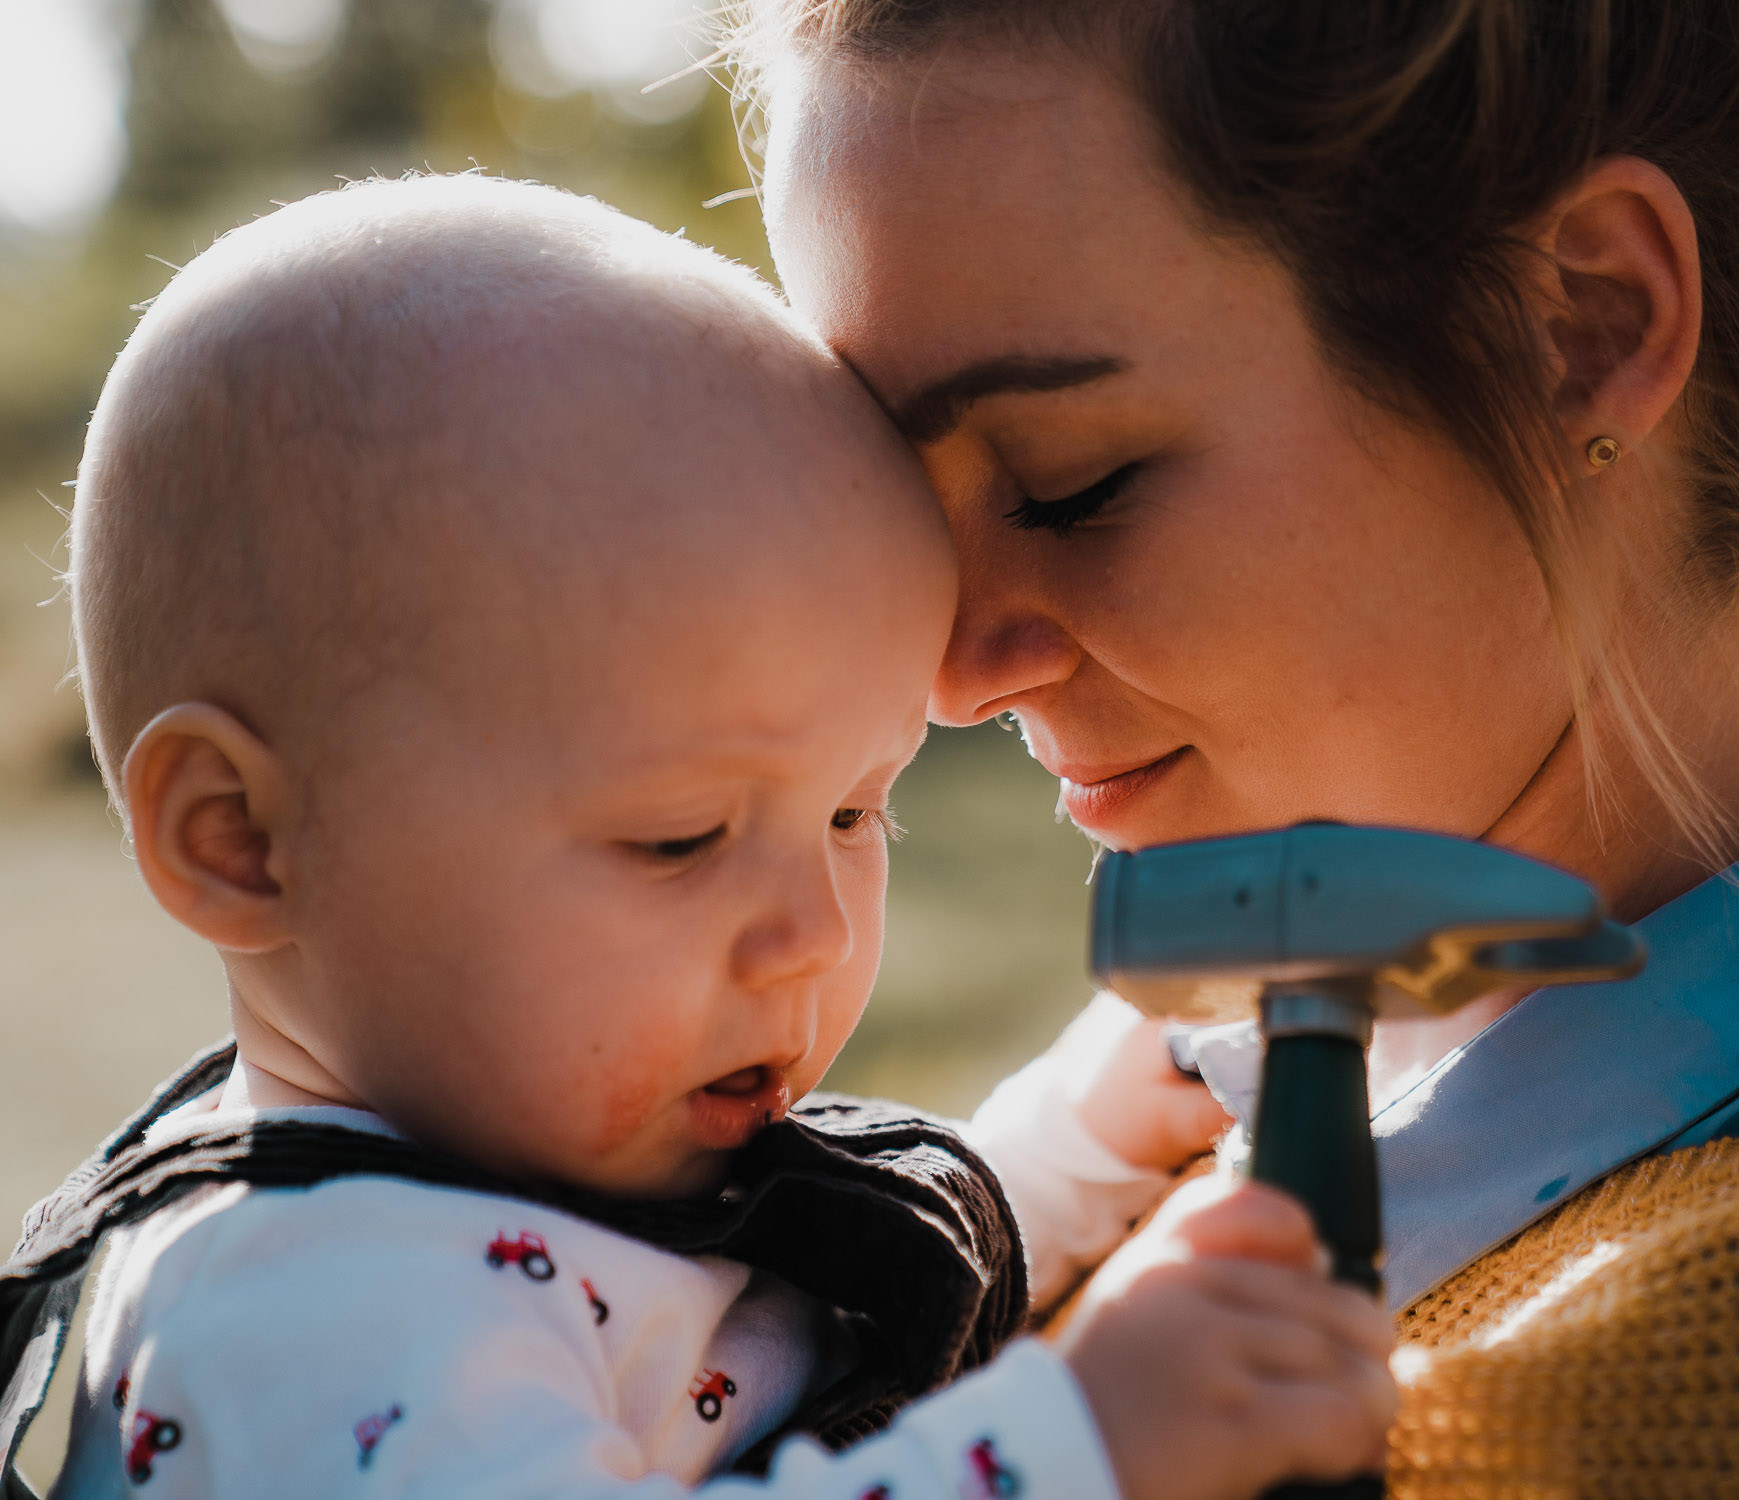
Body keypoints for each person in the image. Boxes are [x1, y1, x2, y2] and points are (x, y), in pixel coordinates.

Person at [730, 0, 1739, 1490]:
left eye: (1069, 482)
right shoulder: (1181, 1102)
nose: (947, 676)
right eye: (903, 504)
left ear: (1583, 324)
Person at [12, 173, 1395, 1500]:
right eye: (680, 838)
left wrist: (1077, 1139)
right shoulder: (307, 1314)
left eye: (857, 810)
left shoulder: (524, 1167)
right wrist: (1068, 1448)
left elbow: (797, 1332)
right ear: (243, 840)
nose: (818, 933)